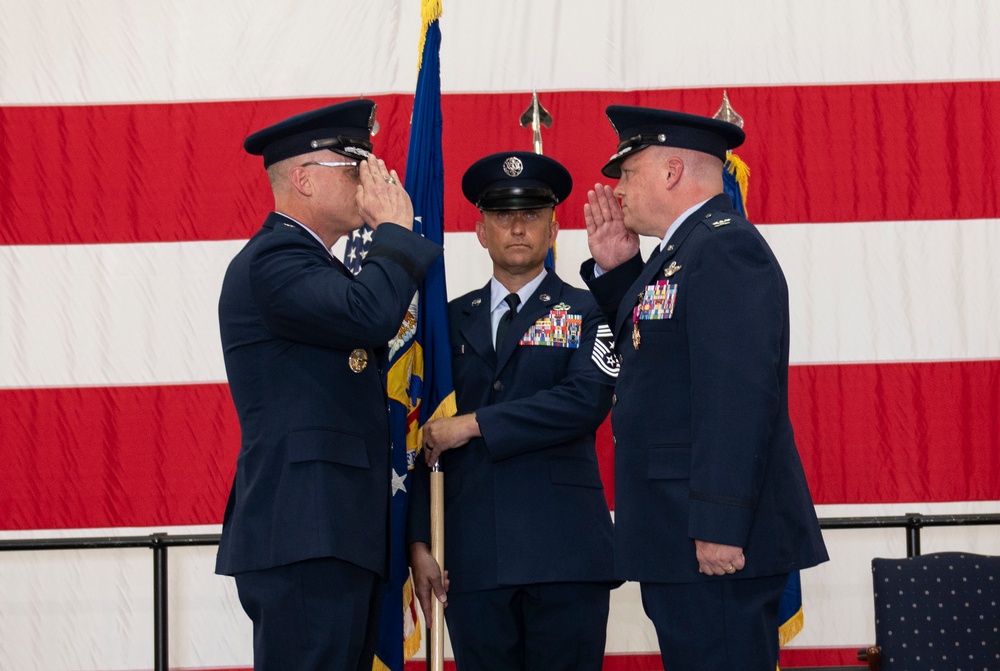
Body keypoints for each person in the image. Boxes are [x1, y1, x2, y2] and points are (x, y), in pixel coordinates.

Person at [581, 105, 829, 671]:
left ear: (671, 172)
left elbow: (737, 398)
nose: (618, 189)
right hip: (677, 533)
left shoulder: (722, 247)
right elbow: (660, 357)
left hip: (712, 542)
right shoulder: (682, 251)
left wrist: (720, 524)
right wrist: (622, 272)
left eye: (628, 172)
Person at [215, 99, 442, 671]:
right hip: (304, 530)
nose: (370, 178)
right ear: (303, 180)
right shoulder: (275, 259)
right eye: (353, 166)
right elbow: (370, 313)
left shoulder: (314, 264)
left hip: (334, 530)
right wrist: (393, 229)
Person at [408, 151, 619, 671]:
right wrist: (417, 539)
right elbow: (419, 430)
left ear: (554, 228)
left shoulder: (591, 308)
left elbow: (584, 400)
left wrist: (476, 424)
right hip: (473, 558)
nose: (517, 227)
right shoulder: (448, 321)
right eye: (502, 215)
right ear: (481, 231)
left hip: (565, 555)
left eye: (532, 214)